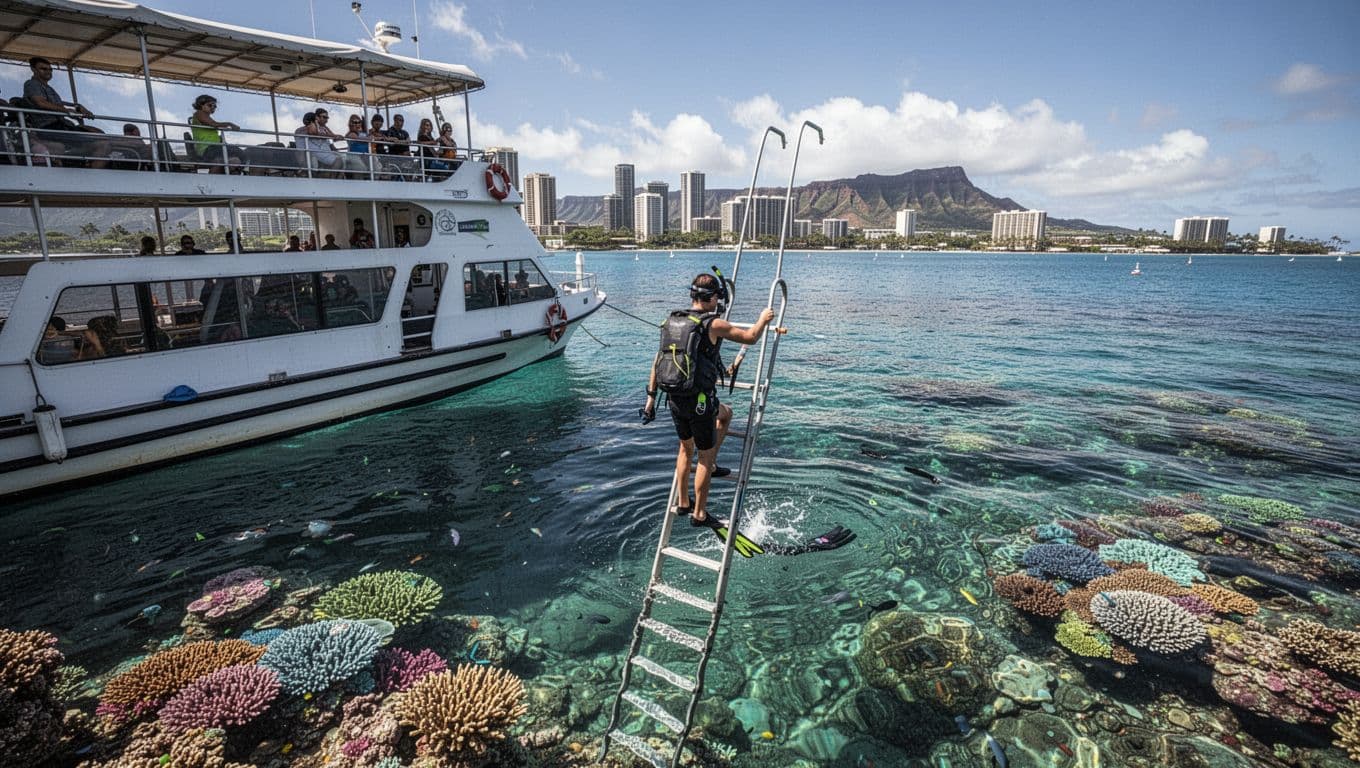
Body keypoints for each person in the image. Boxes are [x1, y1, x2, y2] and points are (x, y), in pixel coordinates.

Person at [642, 273, 774, 526]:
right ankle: (700, 513)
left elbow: (657, 362)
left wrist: (650, 398)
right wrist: (763, 319)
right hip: (700, 400)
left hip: (674, 397)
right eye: (717, 298)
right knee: (702, 456)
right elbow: (751, 338)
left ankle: (683, 501)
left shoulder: (672, 321)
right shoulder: (712, 324)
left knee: (697, 437)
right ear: (712, 298)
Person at [22, 57, 109, 168]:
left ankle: (84, 164)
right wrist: (68, 111)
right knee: (103, 144)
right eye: (43, 69)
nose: (48, 72)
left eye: (50, 69)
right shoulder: (32, 84)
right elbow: (41, 102)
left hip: (62, 126)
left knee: (98, 133)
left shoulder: (48, 88)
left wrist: (76, 106)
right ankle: (93, 177)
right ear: (33, 69)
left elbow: (57, 103)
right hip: (50, 128)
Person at [187, 94, 244, 173]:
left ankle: (221, 175)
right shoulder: (199, 113)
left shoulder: (205, 116)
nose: (213, 108)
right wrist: (229, 124)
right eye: (210, 105)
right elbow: (214, 124)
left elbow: (214, 124)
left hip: (213, 148)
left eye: (215, 106)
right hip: (207, 148)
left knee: (232, 160)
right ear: (201, 105)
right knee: (240, 153)